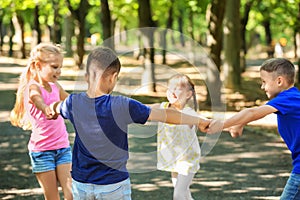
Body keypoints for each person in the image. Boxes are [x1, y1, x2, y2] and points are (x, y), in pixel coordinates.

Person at [49, 46, 211, 200]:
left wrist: (49, 108)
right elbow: (166, 114)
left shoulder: (72, 102)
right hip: (113, 184)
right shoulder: (121, 104)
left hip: (81, 183)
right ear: (113, 78)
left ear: (86, 77)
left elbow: (56, 107)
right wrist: (200, 121)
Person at [208, 58, 300, 199]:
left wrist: (221, 125)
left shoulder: (288, 99)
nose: (262, 87)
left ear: (279, 81)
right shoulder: (291, 98)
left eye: (264, 82)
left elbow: (252, 112)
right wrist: (240, 123)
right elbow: (260, 112)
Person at [10, 43, 72, 200]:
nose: (59, 71)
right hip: (42, 151)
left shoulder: (55, 85)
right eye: (54, 67)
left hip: (63, 147)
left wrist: (88, 103)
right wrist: (46, 108)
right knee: (52, 197)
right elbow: (36, 98)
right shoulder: (32, 87)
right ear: (38, 65)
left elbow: (69, 99)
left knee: (72, 193)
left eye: (60, 67)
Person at [156, 74, 201, 200]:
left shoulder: (188, 113)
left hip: (187, 160)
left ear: (188, 94)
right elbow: (145, 110)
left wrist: (228, 125)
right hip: (173, 158)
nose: (172, 91)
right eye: (170, 88)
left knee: (178, 195)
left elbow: (205, 122)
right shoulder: (163, 108)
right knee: (185, 193)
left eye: (178, 88)